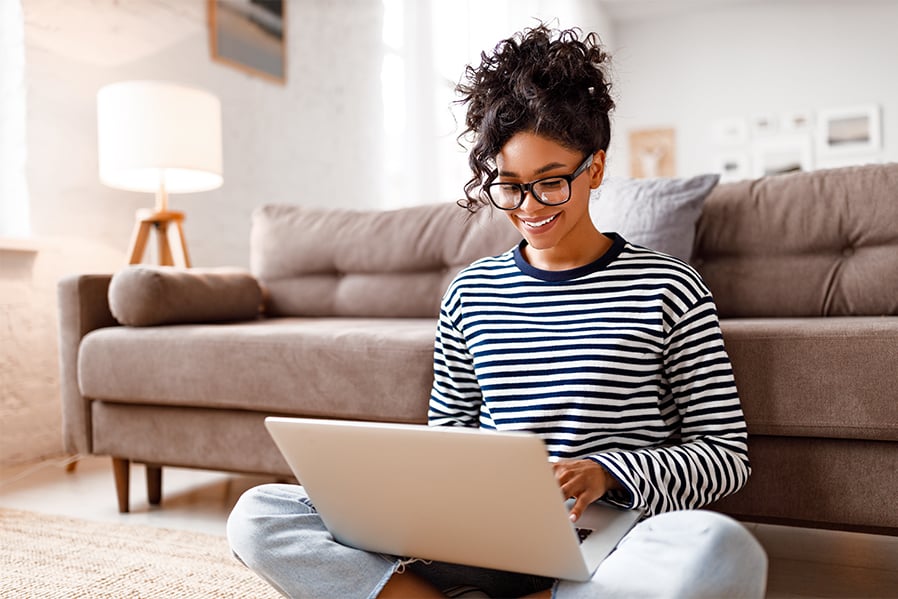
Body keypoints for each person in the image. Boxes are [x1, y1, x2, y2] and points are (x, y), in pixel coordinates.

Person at [227, 24, 768, 598]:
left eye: (551, 183)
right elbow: (448, 439)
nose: (529, 207)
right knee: (259, 514)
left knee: (717, 549)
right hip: (480, 538)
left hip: (611, 540)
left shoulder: (670, 287)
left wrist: (608, 472)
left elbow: (725, 455)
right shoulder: (470, 291)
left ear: (597, 168)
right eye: (508, 186)